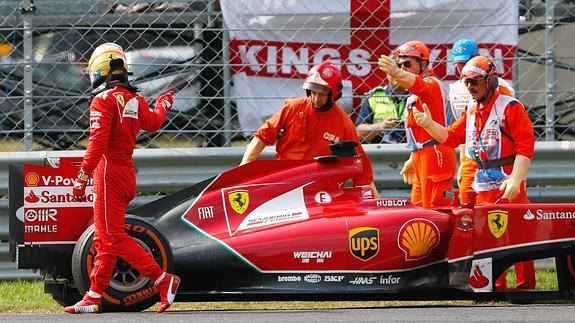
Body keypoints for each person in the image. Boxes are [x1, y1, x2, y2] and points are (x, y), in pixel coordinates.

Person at [65, 43, 180, 314]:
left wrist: (81, 178)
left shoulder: (102, 101)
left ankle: (163, 280)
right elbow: (153, 124)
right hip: (127, 173)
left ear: (99, 71)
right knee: (104, 239)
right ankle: (93, 296)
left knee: (112, 238)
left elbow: (97, 144)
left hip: (108, 175)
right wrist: (162, 105)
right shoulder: (136, 100)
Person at [412, 55, 536, 290]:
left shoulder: (510, 107)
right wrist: (428, 124)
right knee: (487, 237)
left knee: (518, 234)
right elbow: (451, 137)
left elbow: (525, 147)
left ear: (490, 81)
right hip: (482, 182)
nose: (470, 87)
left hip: (506, 179)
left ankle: (525, 285)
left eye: (475, 82)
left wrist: (516, 180)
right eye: (466, 82)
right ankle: (495, 285)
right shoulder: (470, 109)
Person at [240, 61, 378, 197]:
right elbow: (263, 135)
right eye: (313, 92)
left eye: (322, 94)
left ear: (334, 93)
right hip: (286, 183)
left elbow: (361, 167)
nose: (317, 99)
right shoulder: (293, 107)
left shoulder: (344, 123)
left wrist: (375, 205)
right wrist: (244, 167)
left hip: (322, 191)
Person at [377, 40, 456, 208]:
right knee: (419, 213)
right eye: (399, 65)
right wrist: (414, 157)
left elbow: (418, 84)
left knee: (438, 213)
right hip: (422, 155)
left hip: (436, 156)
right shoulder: (414, 94)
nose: (402, 68)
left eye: (407, 64)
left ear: (423, 64)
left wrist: (397, 73)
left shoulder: (431, 84)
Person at [450, 39, 515, 206]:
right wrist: (462, 162)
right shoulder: (455, 89)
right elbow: (461, 130)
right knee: (466, 204)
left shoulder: (502, 87)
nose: (463, 68)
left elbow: (511, 127)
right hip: (471, 158)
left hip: (498, 156)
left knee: (502, 207)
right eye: (459, 64)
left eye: (467, 62)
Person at [355, 73, 409, 144]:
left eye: (401, 71)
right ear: (387, 74)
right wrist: (381, 126)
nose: (397, 73)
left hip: (414, 149)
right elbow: (358, 133)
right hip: (380, 151)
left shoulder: (419, 96)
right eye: (393, 70)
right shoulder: (374, 96)